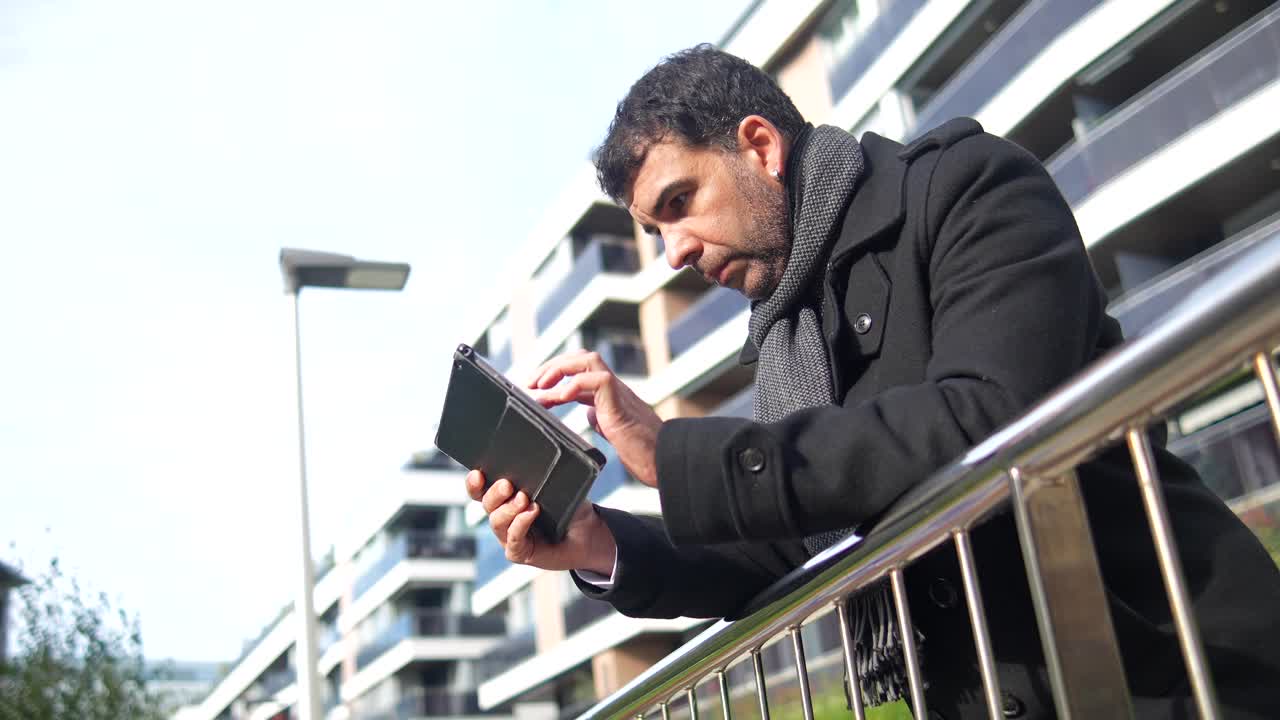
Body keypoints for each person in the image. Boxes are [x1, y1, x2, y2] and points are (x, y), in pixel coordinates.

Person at [463, 45, 1280, 718]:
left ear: (760, 146)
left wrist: (673, 452)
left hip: (1177, 675)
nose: (674, 252)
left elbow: (988, 417)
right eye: (654, 231)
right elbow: (791, 542)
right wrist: (595, 542)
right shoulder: (786, 338)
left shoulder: (967, 185)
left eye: (680, 202)